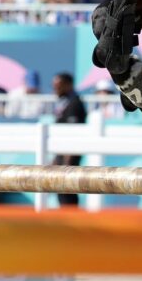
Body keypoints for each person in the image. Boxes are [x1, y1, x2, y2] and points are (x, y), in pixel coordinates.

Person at [52, 72, 87, 208]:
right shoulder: (65, 102)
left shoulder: (74, 103)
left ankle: (71, 219)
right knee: (61, 189)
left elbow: (75, 134)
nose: (55, 89)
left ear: (68, 85)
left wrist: (67, 160)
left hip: (69, 155)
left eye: (58, 86)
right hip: (63, 153)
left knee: (68, 189)